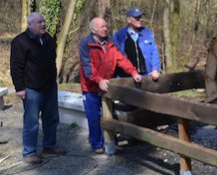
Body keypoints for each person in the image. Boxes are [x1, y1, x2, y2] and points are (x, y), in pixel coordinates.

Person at [10, 12, 66, 164]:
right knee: (32, 121)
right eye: (39, 22)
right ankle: (29, 152)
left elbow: (52, 61)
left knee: (52, 118)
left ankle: (49, 146)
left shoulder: (48, 39)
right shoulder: (20, 42)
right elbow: (16, 67)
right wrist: (20, 88)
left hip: (49, 86)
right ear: (31, 25)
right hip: (31, 88)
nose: (43, 24)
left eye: (44, 21)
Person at [79, 17, 141, 154]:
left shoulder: (111, 41)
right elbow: (87, 67)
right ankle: (96, 144)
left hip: (108, 85)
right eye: (102, 27)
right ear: (93, 30)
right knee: (94, 116)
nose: (105, 29)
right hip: (91, 87)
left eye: (106, 26)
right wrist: (98, 80)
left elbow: (121, 59)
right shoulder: (85, 44)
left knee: (110, 114)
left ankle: (111, 142)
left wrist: (133, 71)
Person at [113, 8, 161, 81]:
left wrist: (155, 69)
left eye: (140, 17)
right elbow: (115, 57)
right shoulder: (119, 36)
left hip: (146, 75)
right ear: (129, 20)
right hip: (126, 77)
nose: (140, 20)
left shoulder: (147, 33)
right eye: (137, 18)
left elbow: (154, 52)